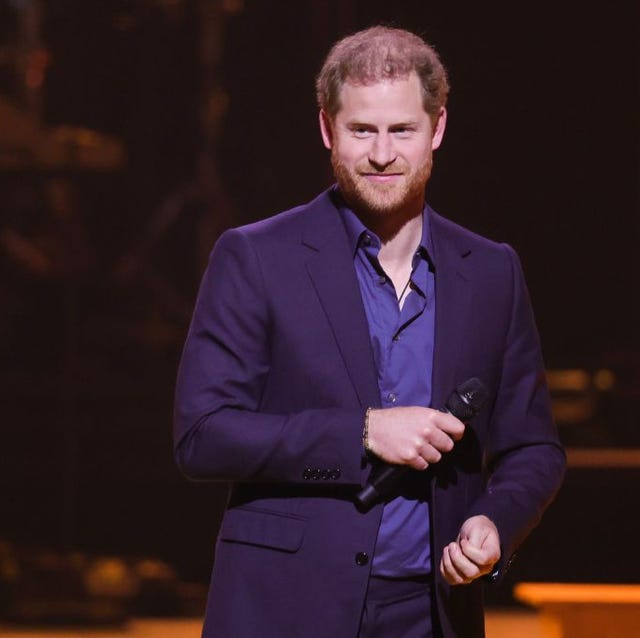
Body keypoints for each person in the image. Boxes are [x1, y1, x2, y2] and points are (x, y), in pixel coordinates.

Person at [174, 25, 565, 638]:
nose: (382, 154)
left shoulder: (491, 271)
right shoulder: (256, 257)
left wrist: (495, 521)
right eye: (362, 130)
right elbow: (202, 435)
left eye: (402, 130)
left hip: (433, 612)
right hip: (285, 609)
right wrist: (362, 433)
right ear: (328, 130)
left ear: (437, 128)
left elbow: (533, 448)